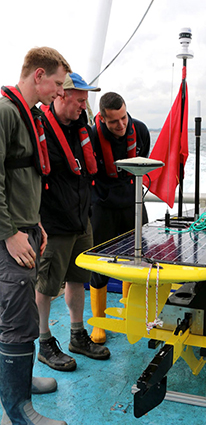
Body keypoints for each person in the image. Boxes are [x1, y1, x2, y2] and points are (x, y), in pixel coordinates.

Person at [0, 46, 71, 425]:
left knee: (22, 314)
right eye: (58, 84)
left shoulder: (27, 115)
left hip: (25, 227)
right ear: (38, 74)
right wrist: (10, 234)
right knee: (16, 321)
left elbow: (22, 179)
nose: (59, 92)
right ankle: (16, 415)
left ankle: (19, 385)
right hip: (8, 235)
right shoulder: (6, 112)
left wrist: (35, 223)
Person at [35, 73, 111, 372]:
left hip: (81, 220)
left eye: (85, 100)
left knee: (77, 279)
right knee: (46, 285)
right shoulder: (40, 128)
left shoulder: (81, 128)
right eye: (80, 100)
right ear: (60, 95)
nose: (84, 105)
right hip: (52, 225)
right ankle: (44, 342)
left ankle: (77, 335)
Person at [90, 92, 150, 343]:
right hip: (102, 205)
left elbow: (143, 162)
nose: (121, 125)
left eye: (124, 117)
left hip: (132, 202)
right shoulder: (91, 136)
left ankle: (129, 313)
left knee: (136, 260)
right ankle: (98, 323)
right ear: (102, 119)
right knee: (99, 265)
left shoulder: (141, 130)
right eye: (114, 121)